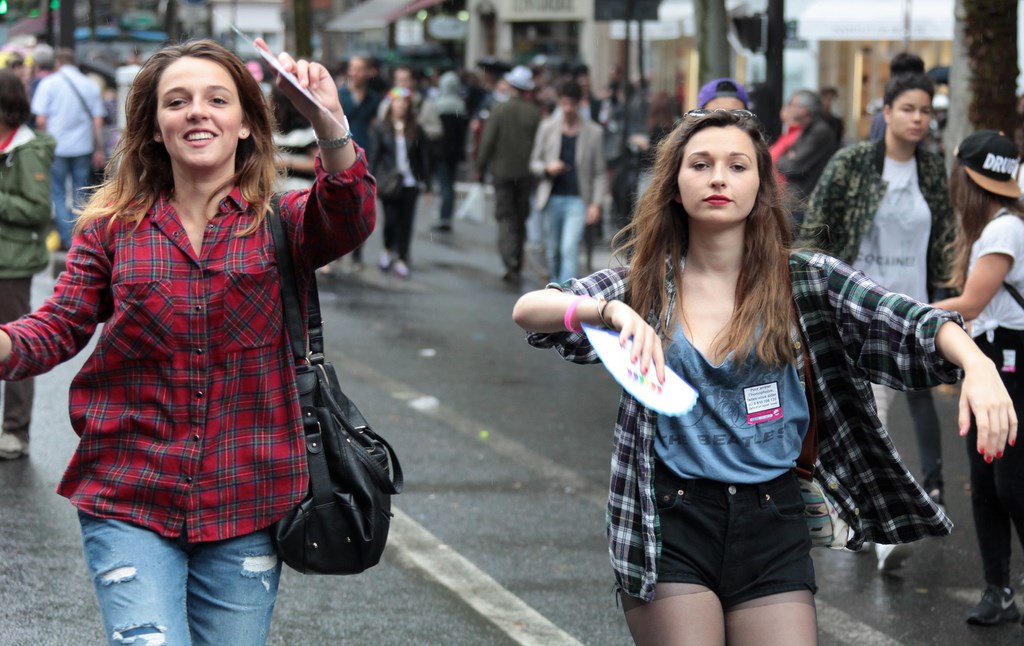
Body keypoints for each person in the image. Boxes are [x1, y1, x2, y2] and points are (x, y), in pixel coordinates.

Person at [512, 109, 1016, 644]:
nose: (719, 178)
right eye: (700, 165)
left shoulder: (804, 279)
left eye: (737, 165)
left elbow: (910, 319)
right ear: (674, 187)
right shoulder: (642, 285)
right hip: (670, 520)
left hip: (773, 519)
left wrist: (978, 365)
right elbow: (531, 309)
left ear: (761, 185)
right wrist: (608, 313)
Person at [0, 39, 374, 644]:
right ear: (153, 129)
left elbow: (350, 211)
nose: (196, 111)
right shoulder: (111, 229)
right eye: (177, 101)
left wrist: (330, 123)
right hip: (128, 492)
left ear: (247, 124)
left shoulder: (286, 221)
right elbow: (58, 325)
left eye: (216, 99)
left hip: (246, 498)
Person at [800, 72, 952, 572]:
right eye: (908, 108)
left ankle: (931, 490)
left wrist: (947, 296)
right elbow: (817, 225)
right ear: (885, 111)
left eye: (925, 111)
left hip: (916, 311)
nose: (918, 119)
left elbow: (947, 237)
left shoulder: (932, 170)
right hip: (860, 312)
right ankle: (884, 531)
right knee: (873, 413)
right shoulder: (854, 162)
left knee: (922, 400)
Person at [931, 130, 1024, 626]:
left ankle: (1001, 589)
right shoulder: (993, 224)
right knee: (986, 481)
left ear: (965, 177)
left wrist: (906, 312)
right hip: (986, 355)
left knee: (1009, 482)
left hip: (1011, 358)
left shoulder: (1005, 229)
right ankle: (998, 591)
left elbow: (971, 304)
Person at [0, 70, 55, 460]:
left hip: (12, 263)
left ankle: (15, 430)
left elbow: (38, 210)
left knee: (14, 345)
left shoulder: (29, 148)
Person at [529, 79, 607, 285]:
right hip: (552, 196)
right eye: (564, 103)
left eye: (572, 104)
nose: (568, 109)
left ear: (579, 104)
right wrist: (547, 168)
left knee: (569, 248)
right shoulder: (547, 128)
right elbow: (534, 162)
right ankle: (555, 286)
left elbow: (599, 172)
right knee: (553, 250)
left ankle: (567, 295)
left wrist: (596, 204)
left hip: (578, 199)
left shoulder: (593, 132)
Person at [30, 48, 107, 250]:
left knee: (57, 192)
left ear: (58, 63)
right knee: (81, 191)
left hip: (56, 147)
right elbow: (97, 120)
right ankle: (80, 237)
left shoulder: (49, 84)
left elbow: (40, 120)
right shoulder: (89, 84)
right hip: (82, 147)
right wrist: (99, 149)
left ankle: (66, 238)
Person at [476, 64, 542, 284]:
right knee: (521, 216)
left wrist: (480, 167)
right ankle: (517, 257)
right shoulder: (534, 113)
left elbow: (487, 142)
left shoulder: (499, 110)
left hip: (502, 172)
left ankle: (509, 259)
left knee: (505, 216)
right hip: (526, 173)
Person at [372, 86, 429, 278]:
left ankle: (403, 258)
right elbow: (375, 156)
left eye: (404, 102)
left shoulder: (416, 129)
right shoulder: (381, 128)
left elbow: (423, 158)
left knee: (406, 222)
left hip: (410, 183)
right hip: (389, 181)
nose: (400, 106)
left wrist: (427, 184)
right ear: (391, 104)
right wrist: (370, 180)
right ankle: (388, 250)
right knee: (390, 220)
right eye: (397, 102)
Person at [338, 54, 382, 271]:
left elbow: (377, 126)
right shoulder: (340, 95)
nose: (354, 73)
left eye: (358, 69)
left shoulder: (374, 99)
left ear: (367, 72)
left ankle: (357, 253)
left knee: (361, 205)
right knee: (338, 203)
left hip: (365, 155)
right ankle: (335, 253)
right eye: (351, 68)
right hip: (341, 153)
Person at [773, 90, 840, 218]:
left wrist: (788, 158)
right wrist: (788, 157)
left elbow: (793, 166)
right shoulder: (808, 129)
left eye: (792, 104)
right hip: (798, 199)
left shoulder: (820, 131)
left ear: (804, 110)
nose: (788, 109)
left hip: (806, 202)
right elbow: (783, 158)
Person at [431, 70, 469, 233]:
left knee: (445, 185)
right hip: (454, 153)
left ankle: (444, 216)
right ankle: (447, 215)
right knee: (449, 184)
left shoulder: (438, 105)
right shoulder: (460, 106)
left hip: (441, 152)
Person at [869, 52, 925, 141]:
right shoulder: (882, 119)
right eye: (906, 109)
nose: (917, 118)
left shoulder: (880, 117)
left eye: (925, 111)